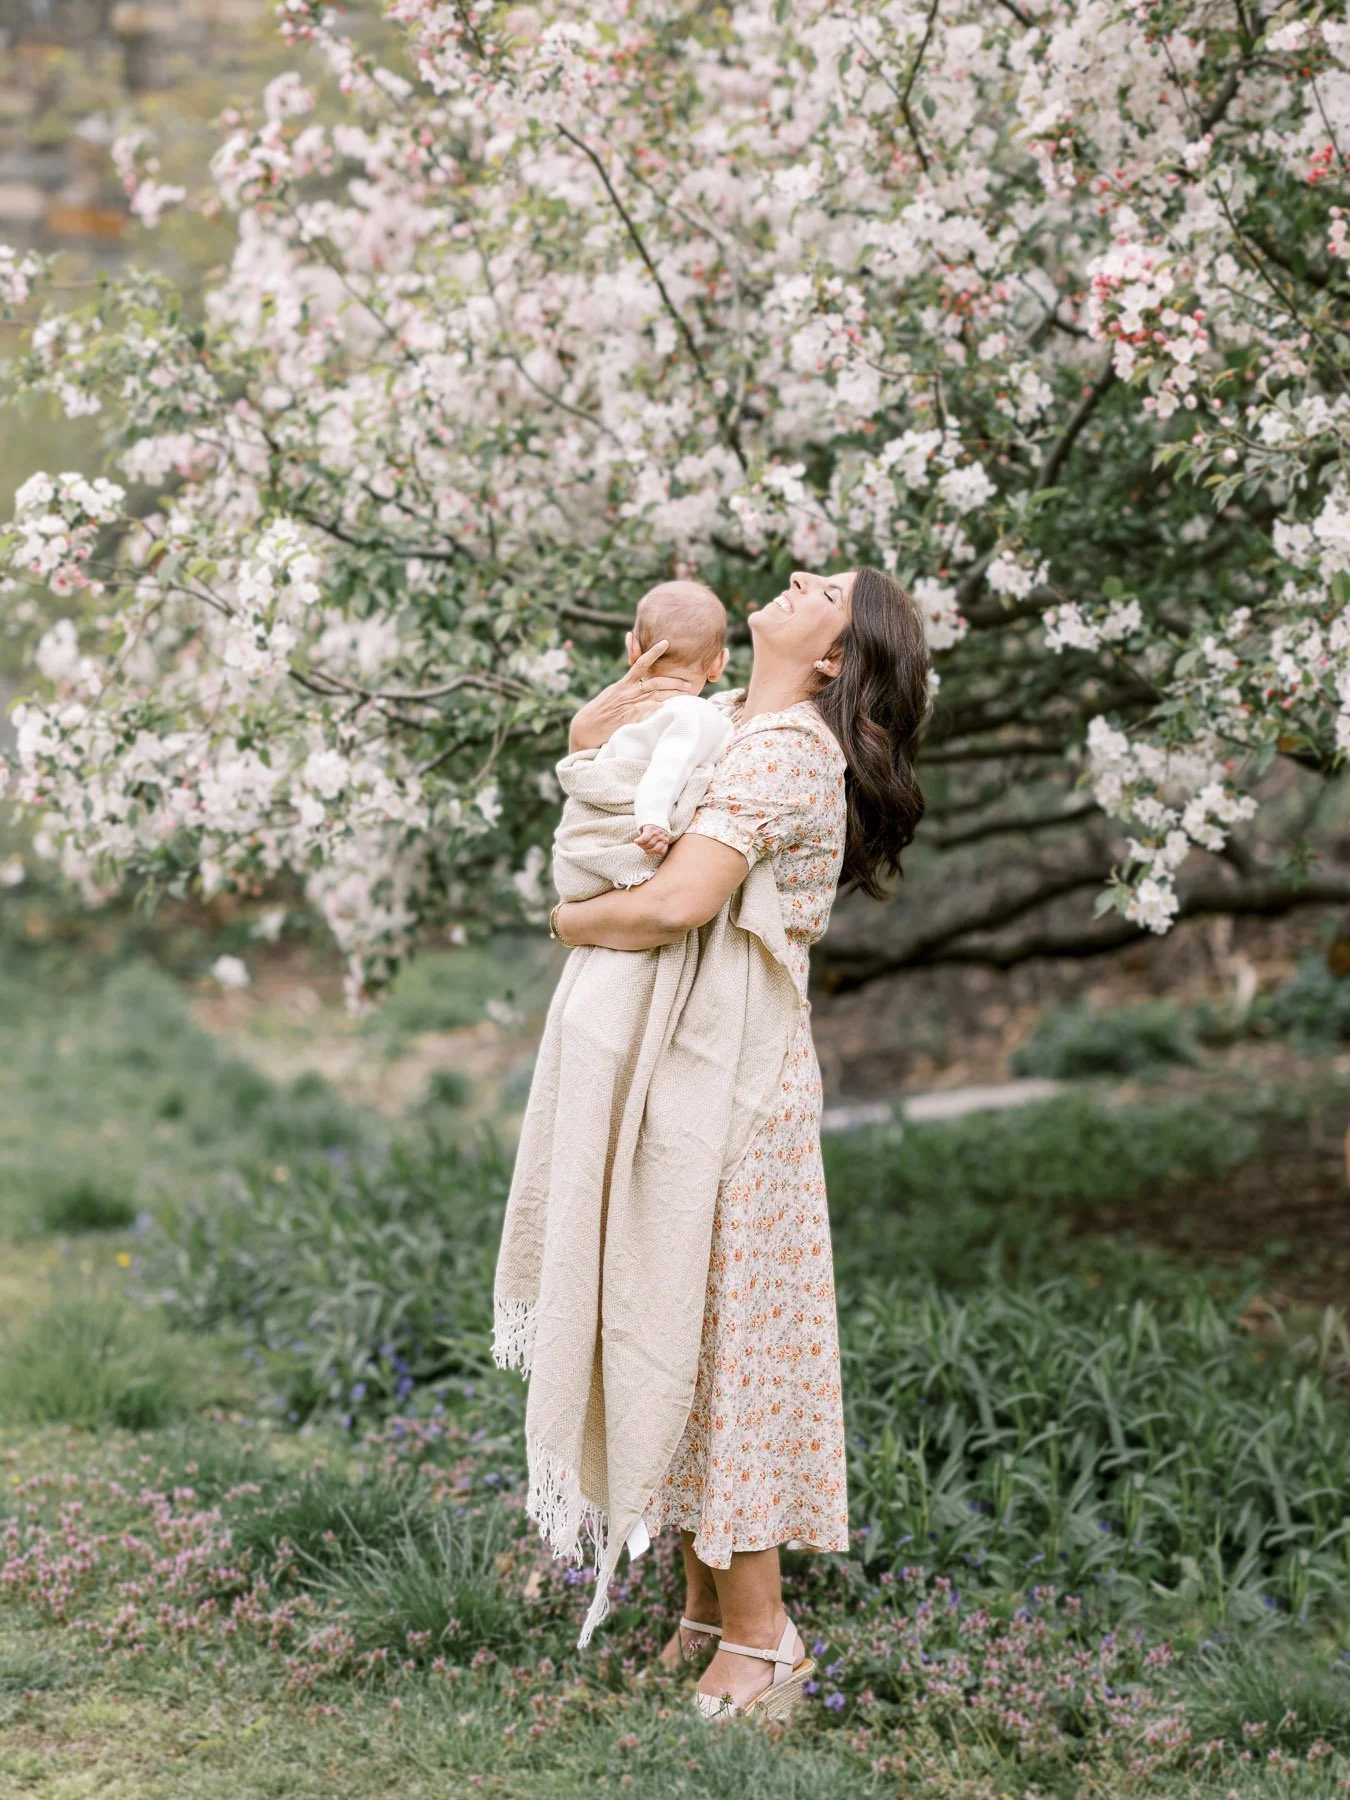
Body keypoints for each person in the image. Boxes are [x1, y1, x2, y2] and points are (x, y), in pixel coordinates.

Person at [552, 565, 930, 1720]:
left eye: (830, 589)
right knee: (680, 1316)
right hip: (694, 1072)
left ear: (833, 657)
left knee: (730, 1350)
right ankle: (704, 1608)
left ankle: (767, 1644)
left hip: (738, 1087)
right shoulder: (727, 723)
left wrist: (568, 915)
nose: (802, 574)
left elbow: (674, 904)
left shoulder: (782, 756)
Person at [594, 579, 733, 864]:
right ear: (718, 665)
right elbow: (669, 766)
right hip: (642, 824)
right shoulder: (691, 714)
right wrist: (653, 818)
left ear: (632, 649)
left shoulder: (628, 715)